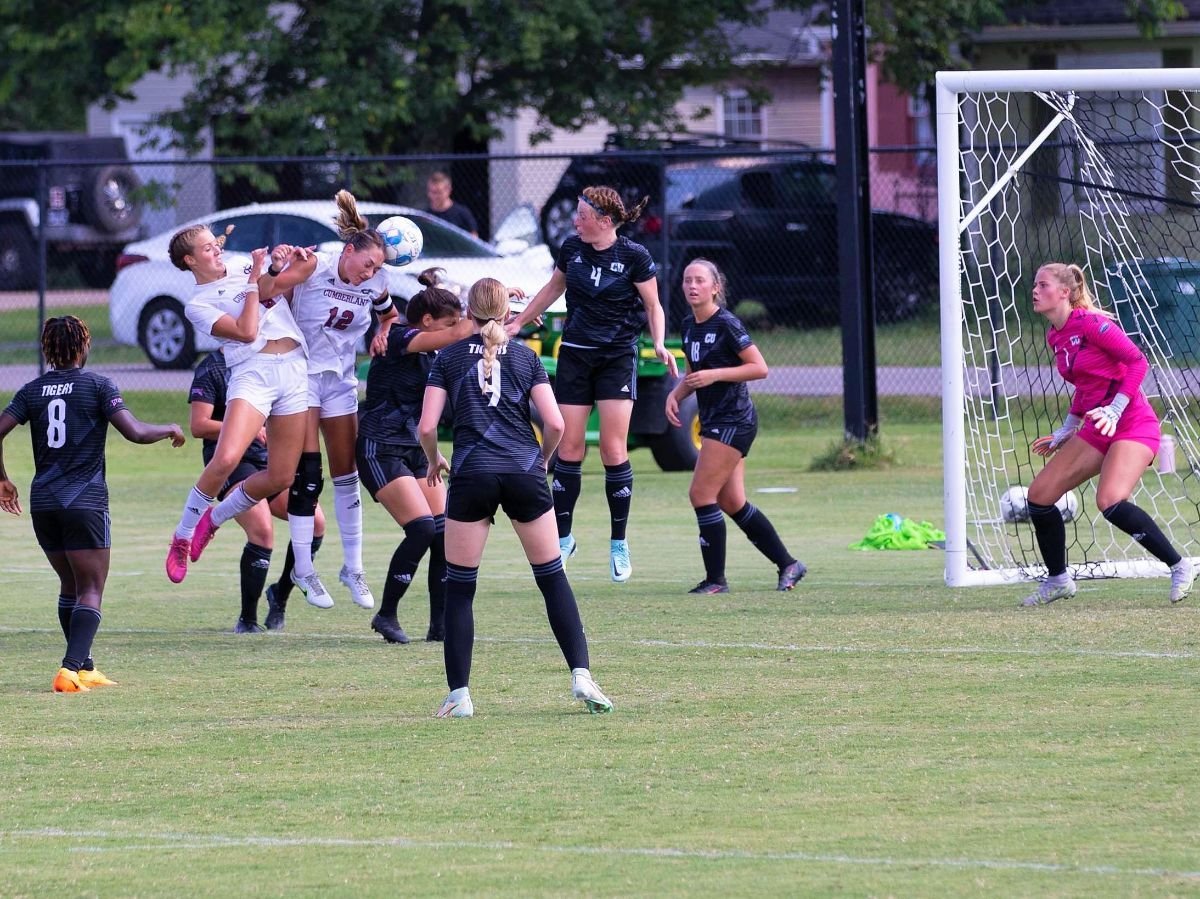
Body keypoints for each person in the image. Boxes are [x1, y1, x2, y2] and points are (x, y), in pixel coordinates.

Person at [419, 277, 612, 718]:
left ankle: (459, 696)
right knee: (552, 578)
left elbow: (427, 427)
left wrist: (434, 461)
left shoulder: (446, 358)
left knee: (461, 590)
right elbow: (557, 424)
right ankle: (581, 674)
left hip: (471, 476)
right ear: (508, 313)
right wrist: (540, 461)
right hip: (524, 473)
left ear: (468, 313)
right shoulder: (527, 358)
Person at [0, 316, 185, 692]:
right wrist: (169, 427)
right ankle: (68, 670)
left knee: (70, 585)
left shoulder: (32, 390)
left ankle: (85, 668)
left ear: (47, 349)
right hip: (84, 501)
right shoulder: (99, 385)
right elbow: (133, 431)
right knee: (91, 588)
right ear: (84, 346)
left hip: (44, 503)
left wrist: (2, 478)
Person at [505, 185, 677, 583]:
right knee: (570, 446)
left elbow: (653, 305)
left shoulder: (634, 256)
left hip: (617, 357)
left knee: (614, 450)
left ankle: (619, 542)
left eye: (581, 215)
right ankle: (564, 538)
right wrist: (519, 320)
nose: (574, 221)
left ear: (603, 220)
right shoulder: (572, 248)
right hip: (577, 355)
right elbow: (553, 288)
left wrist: (657, 342)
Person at [1023, 261, 1194, 607]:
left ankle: (1179, 565)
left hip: (1132, 423)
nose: (1035, 291)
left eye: (1043, 285)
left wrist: (1116, 409)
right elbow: (1087, 385)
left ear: (1064, 293)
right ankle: (1058, 580)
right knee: (1039, 496)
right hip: (1098, 426)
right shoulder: (1055, 335)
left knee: (1109, 501)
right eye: (1035, 285)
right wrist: (1067, 429)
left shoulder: (1093, 325)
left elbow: (1138, 362)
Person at [163, 228, 316, 607]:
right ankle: (183, 536)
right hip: (254, 372)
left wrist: (287, 260)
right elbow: (247, 332)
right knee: (227, 457)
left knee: (281, 476)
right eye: (206, 248)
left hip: (295, 369)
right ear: (190, 260)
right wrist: (255, 283)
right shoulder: (197, 303)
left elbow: (295, 276)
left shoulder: (247, 266)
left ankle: (211, 521)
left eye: (216, 243)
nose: (216, 249)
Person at [264, 189, 400, 611]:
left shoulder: (377, 282)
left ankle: (353, 568)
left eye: (377, 267)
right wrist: (275, 263)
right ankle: (303, 568)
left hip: (340, 382)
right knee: (308, 474)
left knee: (347, 473)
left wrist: (382, 332)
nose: (369, 273)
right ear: (348, 251)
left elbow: (390, 315)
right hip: (301, 377)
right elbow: (268, 287)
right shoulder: (314, 265)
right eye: (367, 263)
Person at [665, 259, 807, 594]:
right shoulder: (689, 325)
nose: (692, 286)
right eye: (687, 280)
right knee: (732, 502)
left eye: (700, 280)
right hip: (716, 420)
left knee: (700, 493)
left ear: (716, 287)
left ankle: (716, 580)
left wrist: (716, 374)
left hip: (734, 420)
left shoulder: (727, 323)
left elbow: (760, 368)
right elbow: (693, 372)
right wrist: (676, 393)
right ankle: (789, 564)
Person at [357, 269, 475, 644]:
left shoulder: (433, 354)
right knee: (422, 528)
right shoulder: (398, 336)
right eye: (448, 322)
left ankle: (439, 626)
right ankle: (387, 614)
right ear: (427, 322)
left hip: (415, 450)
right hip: (380, 447)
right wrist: (497, 305)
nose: (455, 328)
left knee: (444, 532)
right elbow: (461, 332)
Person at [188, 351, 327, 632]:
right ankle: (247, 620)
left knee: (315, 522)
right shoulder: (213, 367)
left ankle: (280, 596)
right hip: (233, 464)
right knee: (262, 531)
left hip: (269, 463)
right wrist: (247, 429)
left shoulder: (272, 361)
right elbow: (198, 425)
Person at [425, 170, 479, 238]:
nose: (434, 196)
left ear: (448, 190)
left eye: (438, 192)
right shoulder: (425, 216)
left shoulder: (463, 214)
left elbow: (473, 239)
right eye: (431, 192)